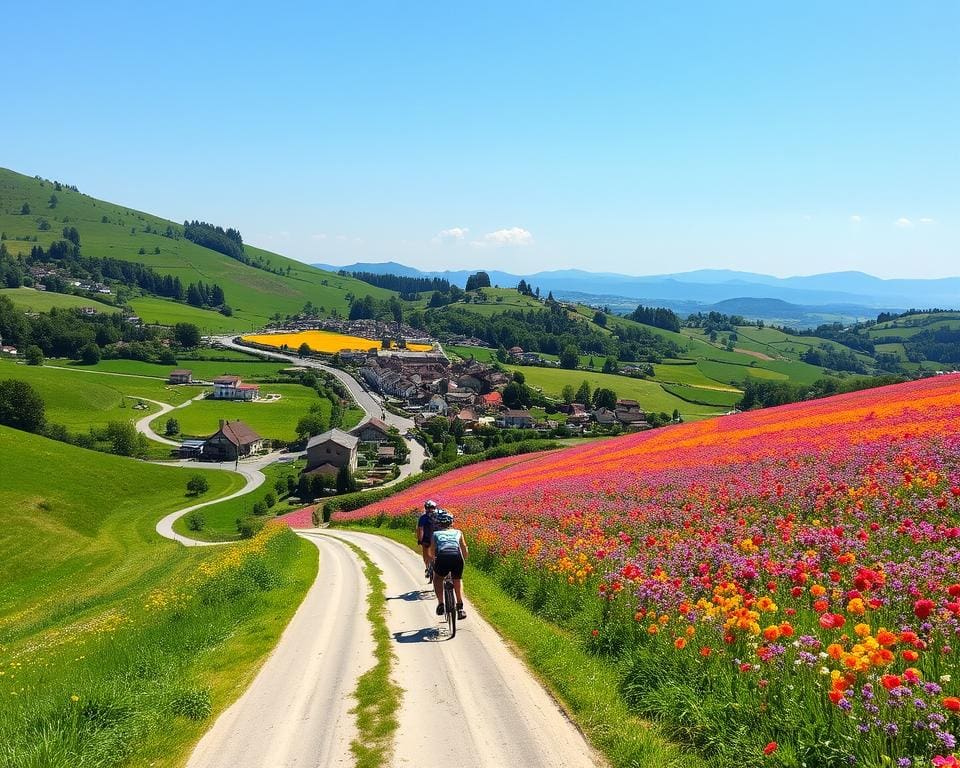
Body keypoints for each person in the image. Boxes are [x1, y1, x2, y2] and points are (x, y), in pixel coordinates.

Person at [430, 509, 468, 620]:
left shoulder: (435, 534)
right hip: (457, 557)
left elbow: (432, 551)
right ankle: (460, 607)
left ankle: (441, 604)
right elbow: (464, 548)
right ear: (451, 522)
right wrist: (463, 559)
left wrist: (434, 559)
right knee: (457, 579)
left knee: (437, 578)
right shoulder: (458, 532)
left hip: (442, 557)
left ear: (439, 523)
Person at [416, 500, 438, 580]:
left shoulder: (423, 518)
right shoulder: (438, 516)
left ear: (426, 508)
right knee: (436, 554)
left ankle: (427, 568)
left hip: (427, 539)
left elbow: (420, 529)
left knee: (426, 555)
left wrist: (420, 540)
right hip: (437, 539)